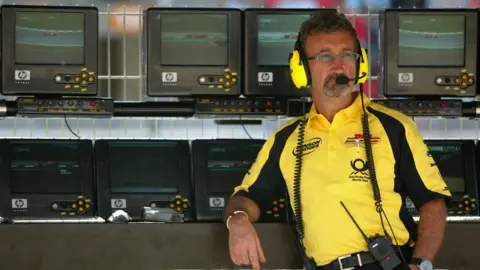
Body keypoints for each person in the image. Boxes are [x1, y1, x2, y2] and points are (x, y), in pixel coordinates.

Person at [224, 9, 450, 270]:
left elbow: (433, 202)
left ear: (360, 64)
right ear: (302, 68)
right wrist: (238, 221)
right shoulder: (285, 140)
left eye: (347, 55)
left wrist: (420, 264)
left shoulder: (394, 127)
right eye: (325, 56)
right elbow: (247, 197)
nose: (339, 65)